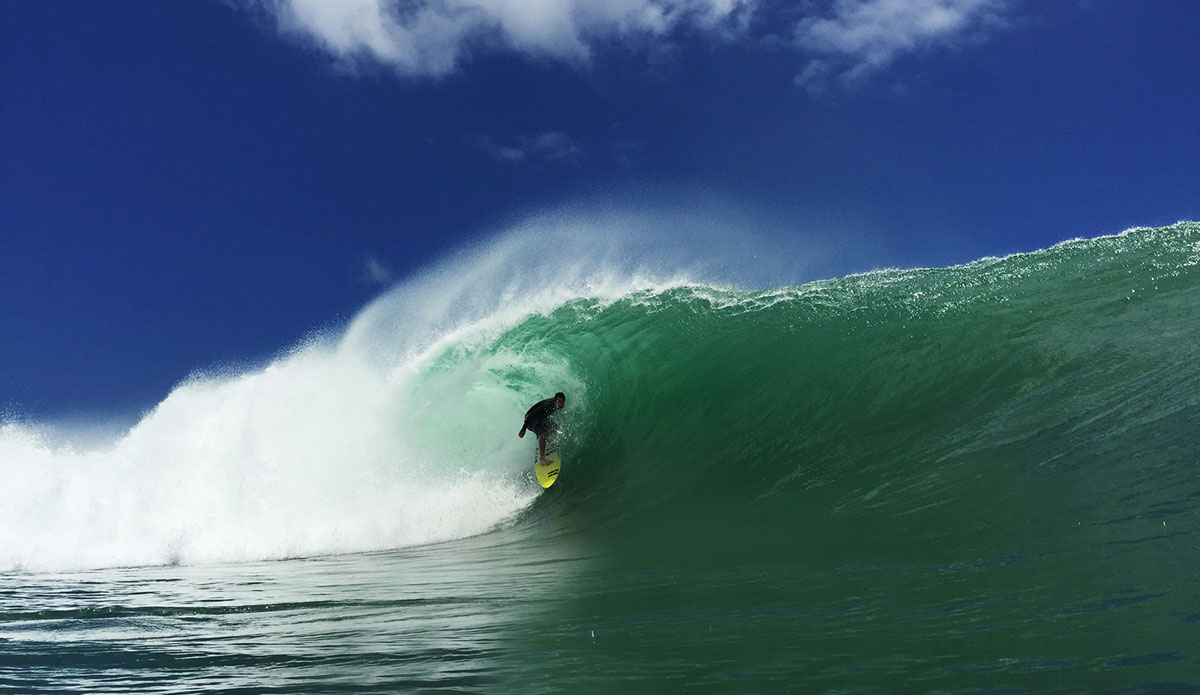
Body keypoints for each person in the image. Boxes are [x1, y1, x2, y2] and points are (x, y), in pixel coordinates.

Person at [519, 392, 565, 462]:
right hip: (531, 421)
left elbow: (539, 404)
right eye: (559, 402)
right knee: (544, 434)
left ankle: (546, 442)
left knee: (555, 427)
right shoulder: (548, 405)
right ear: (555, 400)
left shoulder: (553, 402)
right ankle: (542, 458)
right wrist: (523, 429)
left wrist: (529, 411)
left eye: (562, 402)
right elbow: (531, 416)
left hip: (541, 419)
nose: (560, 404)